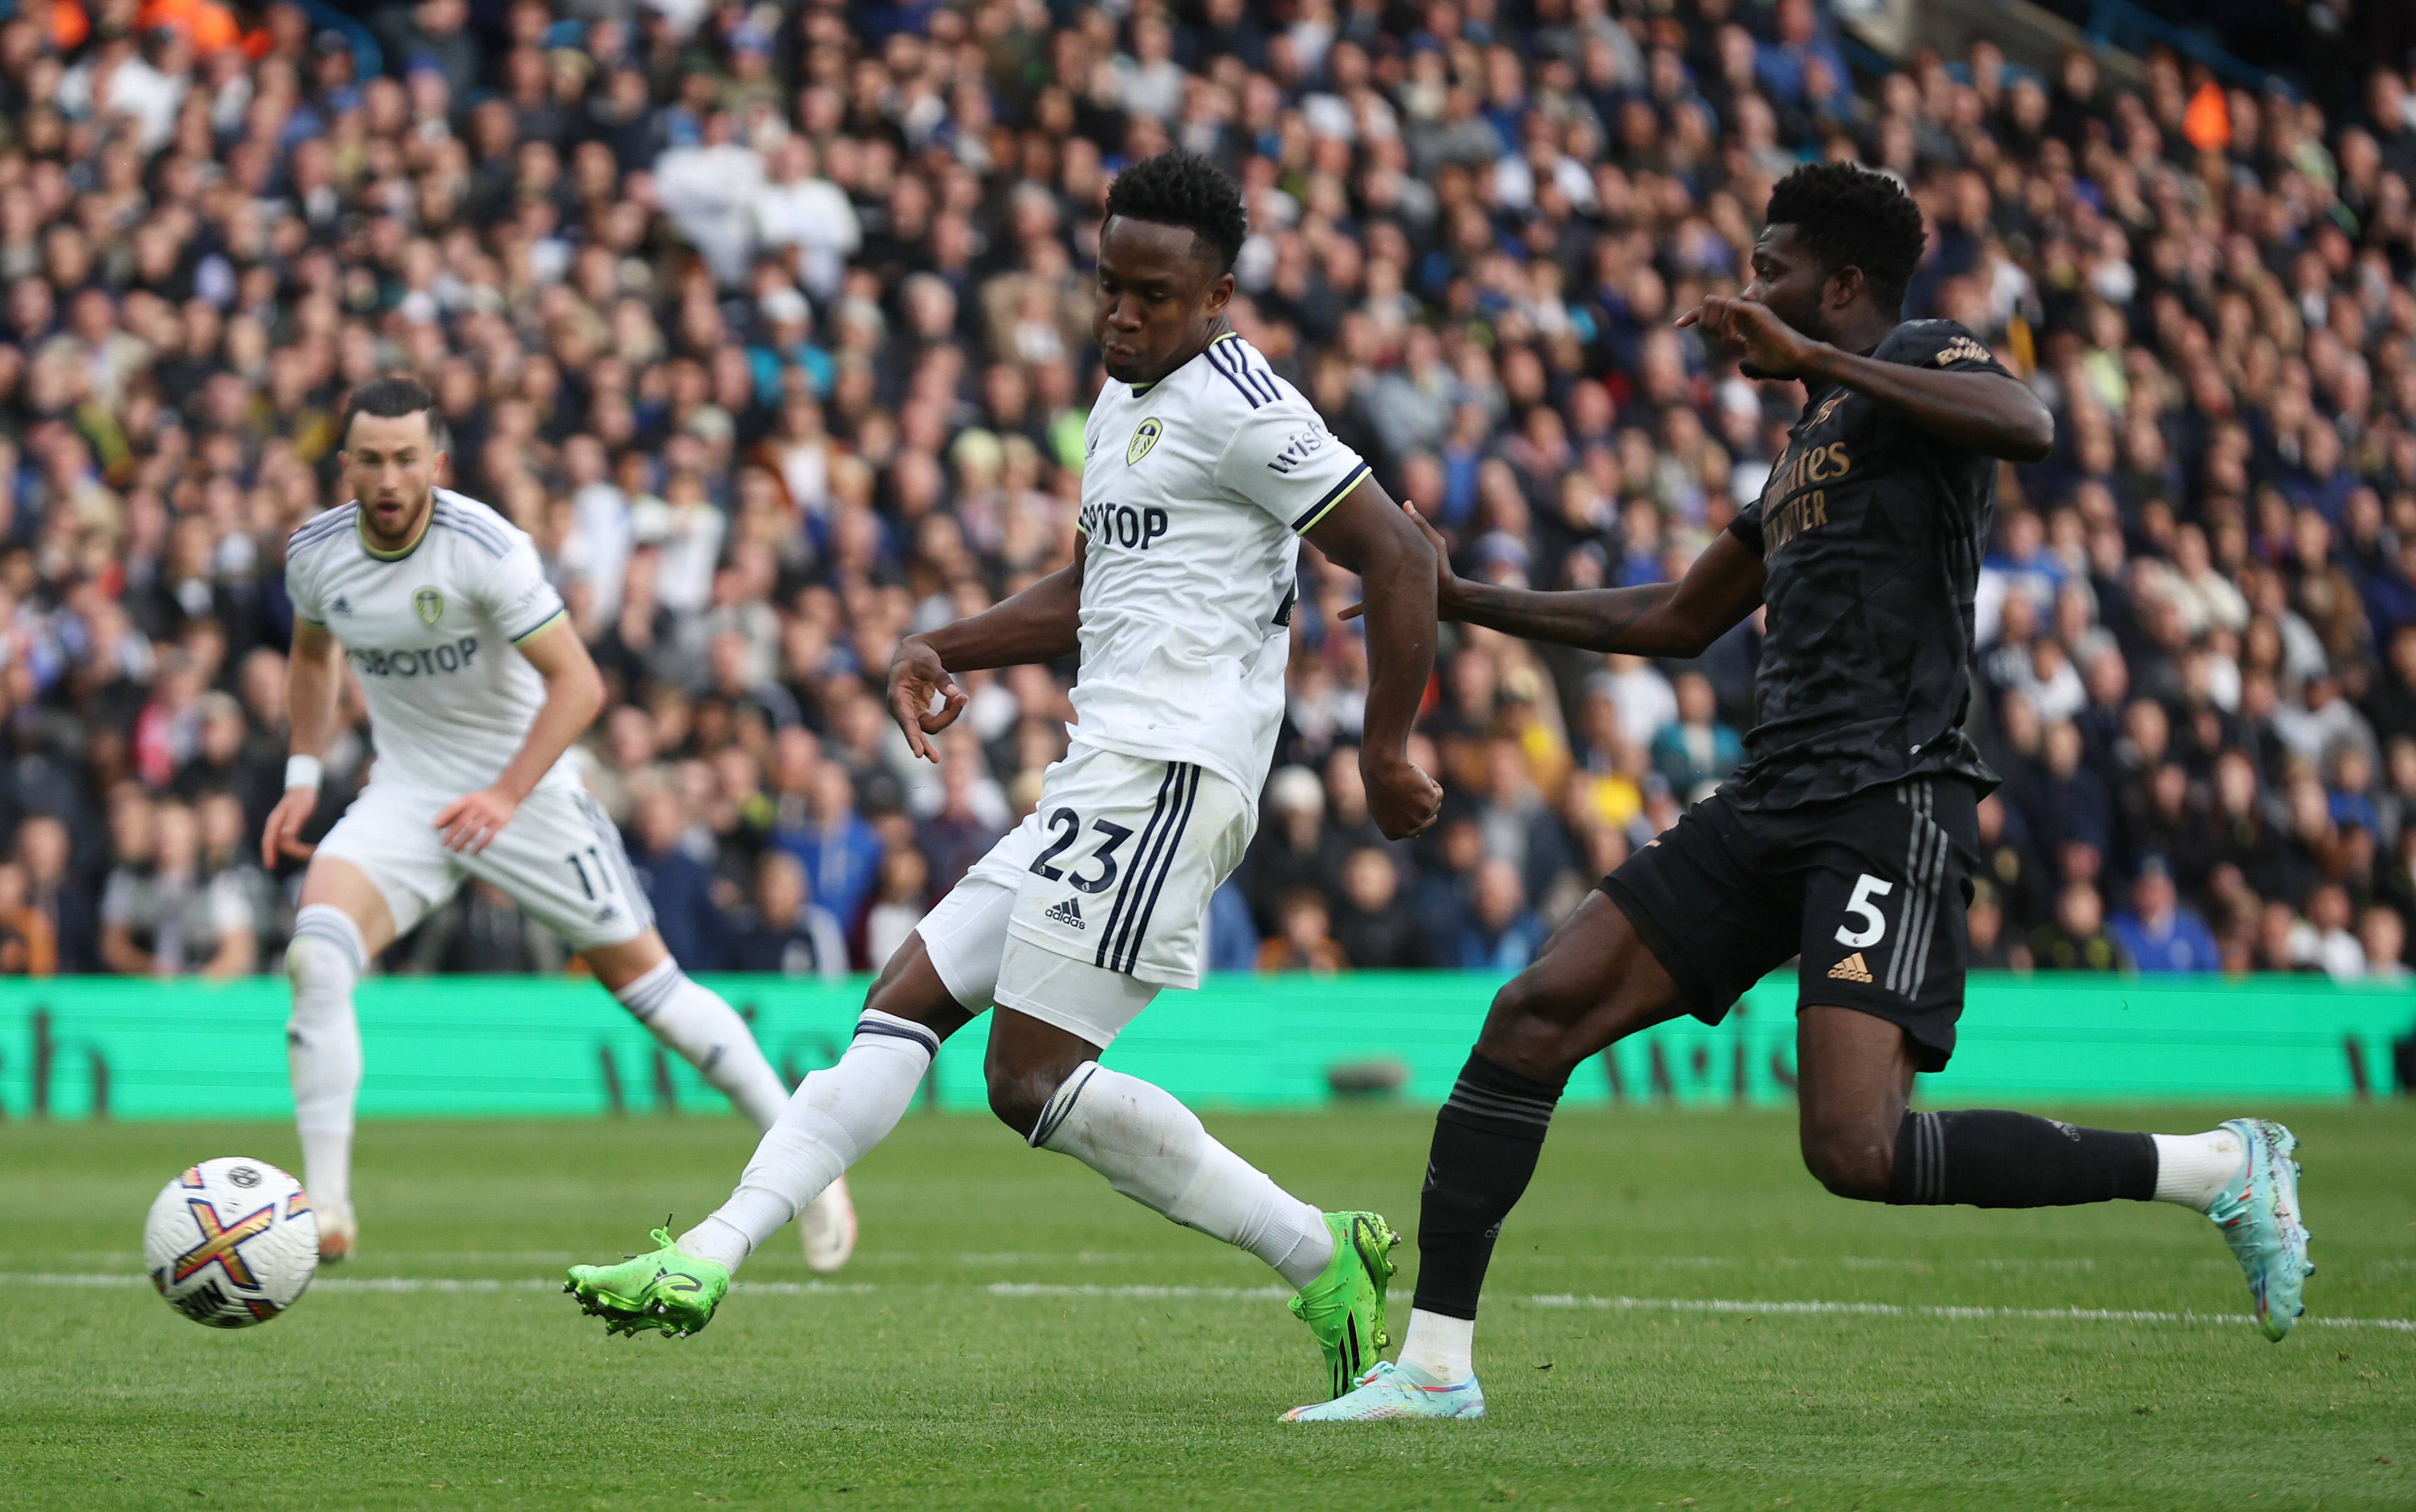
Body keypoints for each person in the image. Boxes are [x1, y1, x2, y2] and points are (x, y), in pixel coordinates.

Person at [1295, 164, 2309, 1424]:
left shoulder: (1923, 356)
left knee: (1854, 1151)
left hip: (1890, 795)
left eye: (1768, 270)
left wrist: (1822, 361)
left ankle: (2215, 1166)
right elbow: (1672, 617)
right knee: (1529, 1015)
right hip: (1773, 796)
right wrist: (1457, 597)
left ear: (1837, 286)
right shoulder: (1806, 445)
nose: (1745, 293)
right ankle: (1435, 1370)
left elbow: (2028, 424)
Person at [567, 151, 1444, 1406]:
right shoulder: (1116, 403)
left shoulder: (1244, 406)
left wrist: (1382, 747)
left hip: (1174, 774)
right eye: (1106, 286)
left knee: (1024, 1081)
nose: (1122, 315)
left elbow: (1398, 554)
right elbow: (1093, 594)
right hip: (1101, 767)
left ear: (1215, 299)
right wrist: (945, 642)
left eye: (1153, 295)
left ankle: (1321, 1254)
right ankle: (710, 1253)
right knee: (902, 1003)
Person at [262, 377, 855, 1273]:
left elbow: (580, 685)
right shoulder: (315, 554)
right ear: (346, 465)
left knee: (655, 995)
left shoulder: (485, 547)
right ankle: (329, 1211)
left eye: (405, 459)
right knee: (317, 954)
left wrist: (503, 795)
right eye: (371, 460)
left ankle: (809, 1165)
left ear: (438, 464)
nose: (388, 478)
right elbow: (312, 659)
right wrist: (304, 775)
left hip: (528, 789)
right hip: (409, 791)